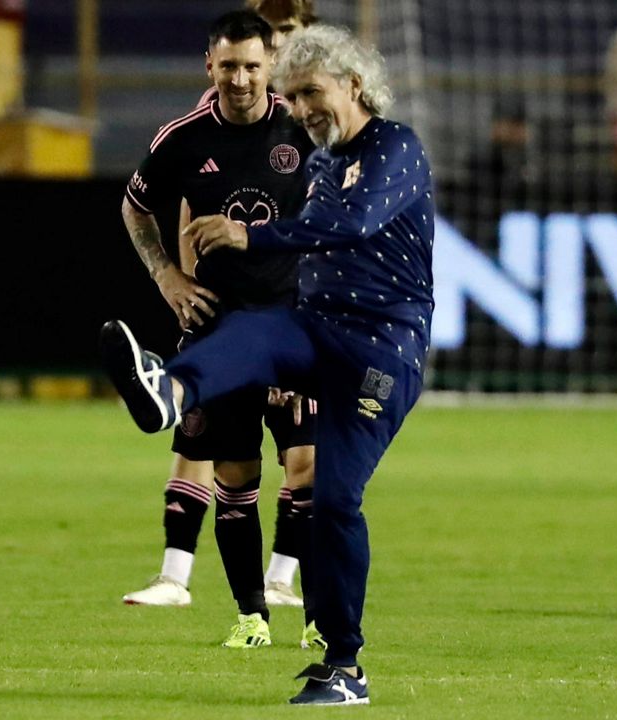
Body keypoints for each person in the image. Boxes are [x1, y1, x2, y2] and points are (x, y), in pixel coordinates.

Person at [102, 24, 434, 705]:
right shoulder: (319, 161)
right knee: (252, 330)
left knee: (334, 500)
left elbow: (352, 223)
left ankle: (345, 666)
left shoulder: (395, 146)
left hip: (381, 351)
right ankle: (170, 390)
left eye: (311, 92)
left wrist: (246, 234)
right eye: (295, 96)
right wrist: (182, 270)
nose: (302, 109)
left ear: (354, 85)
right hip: (317, 329)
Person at [118, 10, 320, 649]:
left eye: (252, 66)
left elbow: (334, 222)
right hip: (220, 330)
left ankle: (319, 617)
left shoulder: (303, 129)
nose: (240, 79)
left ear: (271, 66)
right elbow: (134, 208)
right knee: (235, 477)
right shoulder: (182, 139)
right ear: (209, 65)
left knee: (311, 469)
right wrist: (167, 278)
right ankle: (252, 617)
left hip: (291, 328)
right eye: (228, 66)